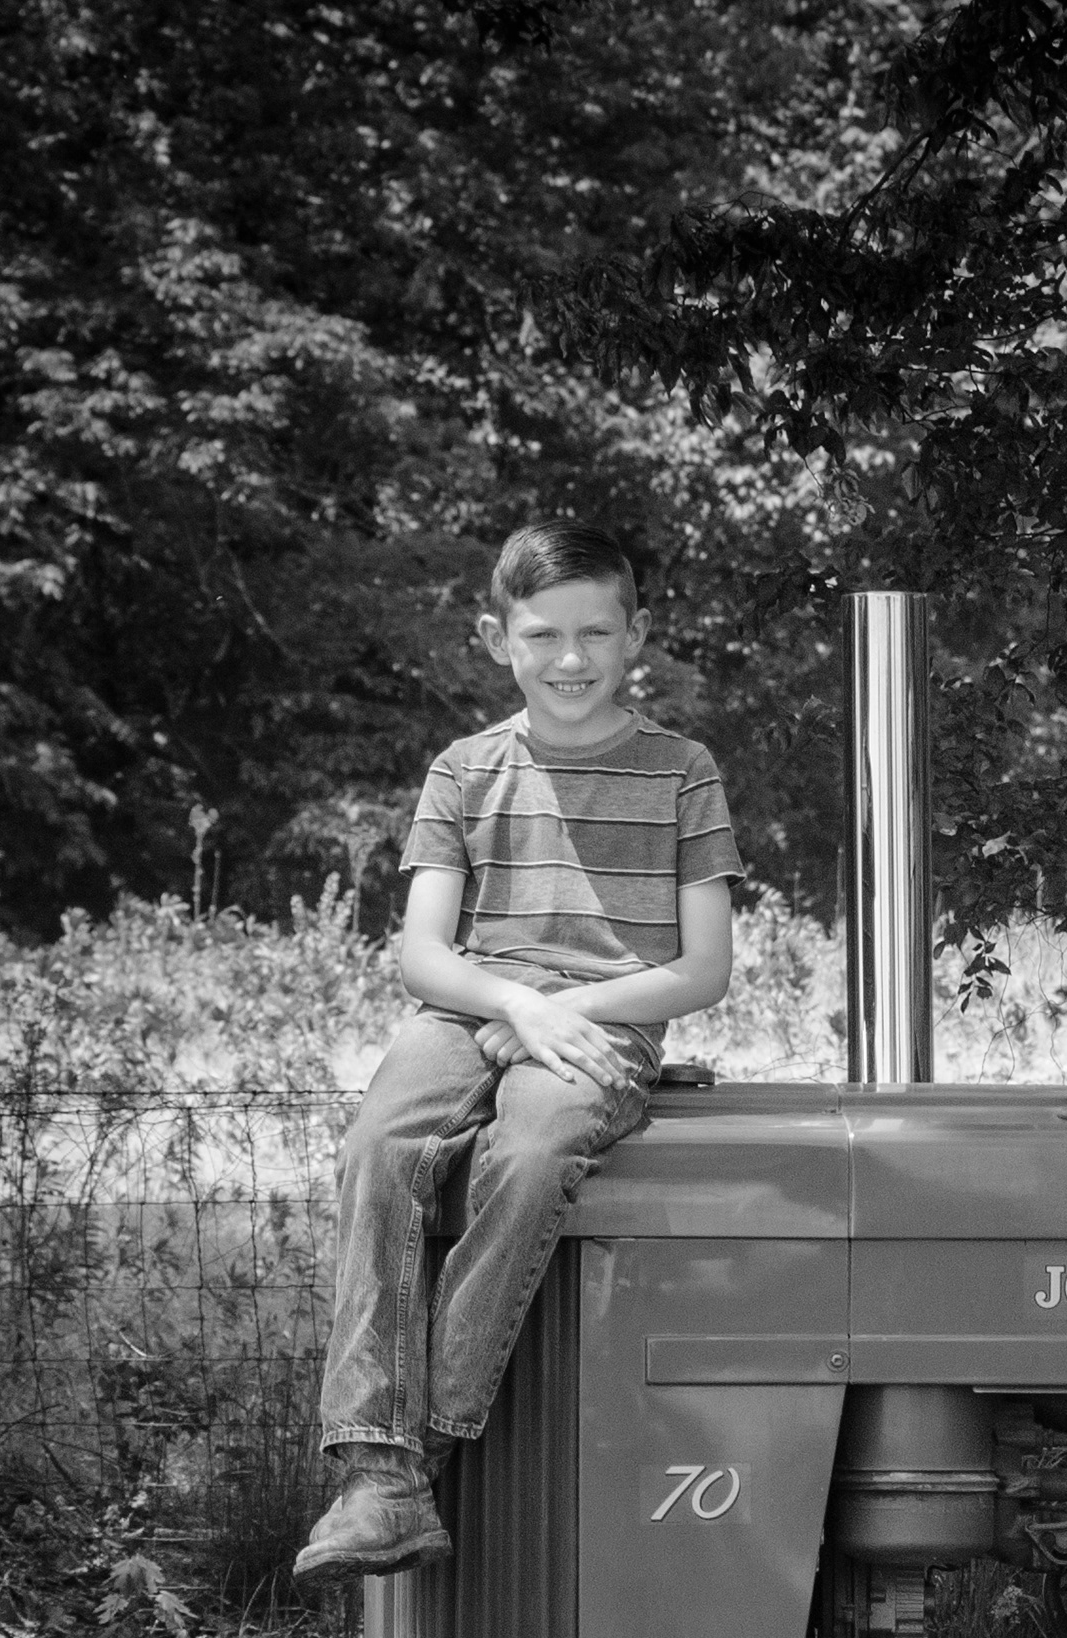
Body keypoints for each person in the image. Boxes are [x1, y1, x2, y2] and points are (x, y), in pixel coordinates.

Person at [298, 519, 740, 1581]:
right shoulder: (465, 770)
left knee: (533, 1151)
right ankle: (373, 1465)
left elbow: (702, 969)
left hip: (605, 1021)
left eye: (596, 633)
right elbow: (421, 952)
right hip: (471, 1009)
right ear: (498, 638)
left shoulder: (681, 772)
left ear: (638, 635)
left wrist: (559, 1012)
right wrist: (515, 1003)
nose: (571, 659)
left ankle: (422, 1450)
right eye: (543, 635)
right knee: (378, 1147)